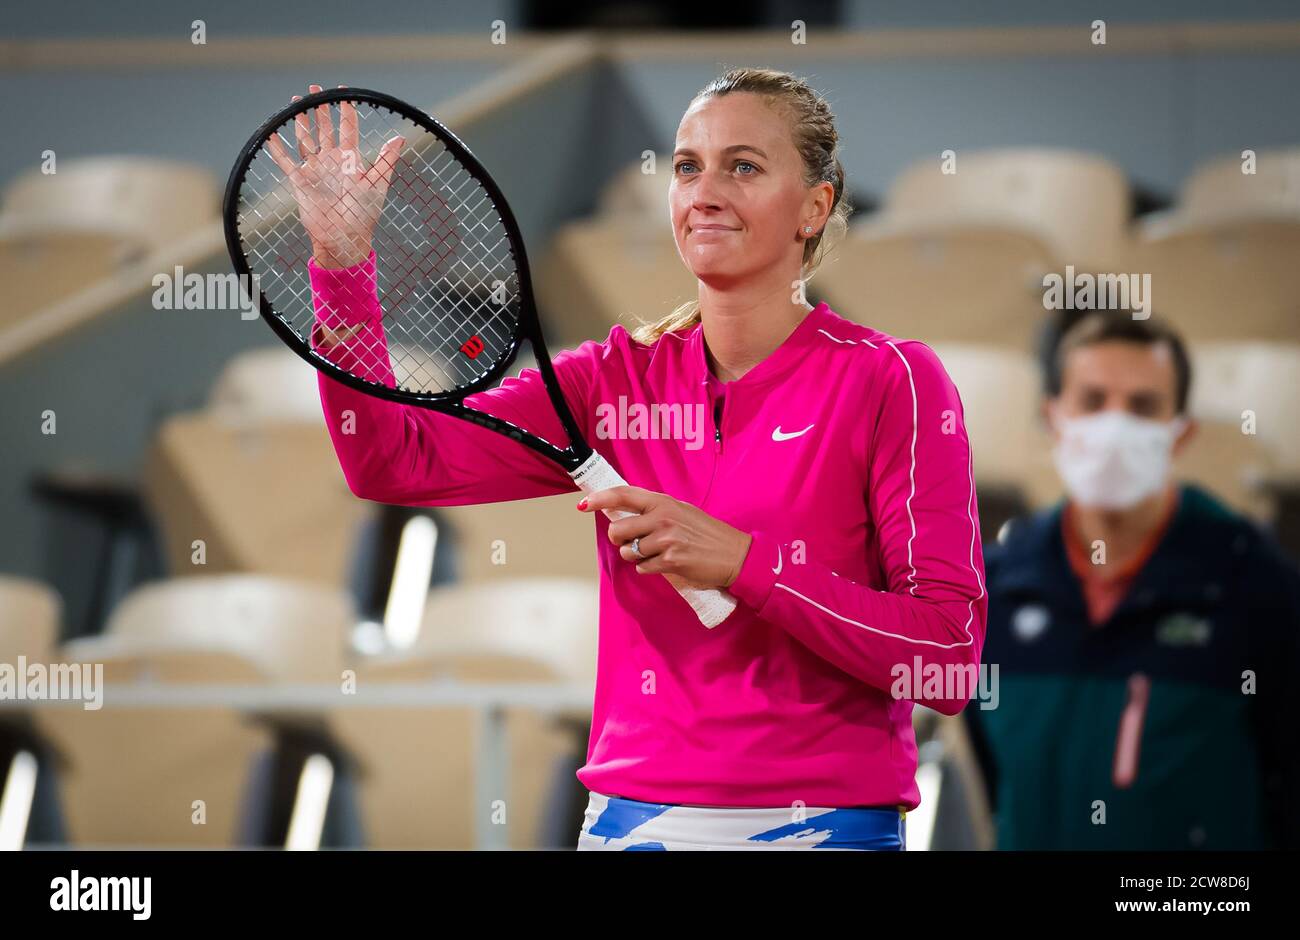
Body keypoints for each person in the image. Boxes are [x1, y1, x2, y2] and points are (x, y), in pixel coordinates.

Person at [285, 70, 985, 850]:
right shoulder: (609, 379)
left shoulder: (892, 380)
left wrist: (747, 565)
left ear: (814, 207)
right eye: (688, 167)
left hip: (824, 824)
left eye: (744, 167)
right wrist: (343, 266)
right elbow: (393, 463)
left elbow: (947, 662)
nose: (705, 192)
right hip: (630, 823)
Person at [968, 309, 1300, 850]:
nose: (1114, 425)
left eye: (1143, 407)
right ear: (1053, 418)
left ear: (1181, 432)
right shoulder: (995, 587)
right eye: (1093, 401)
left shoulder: (1256, 588)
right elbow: (995, 783)